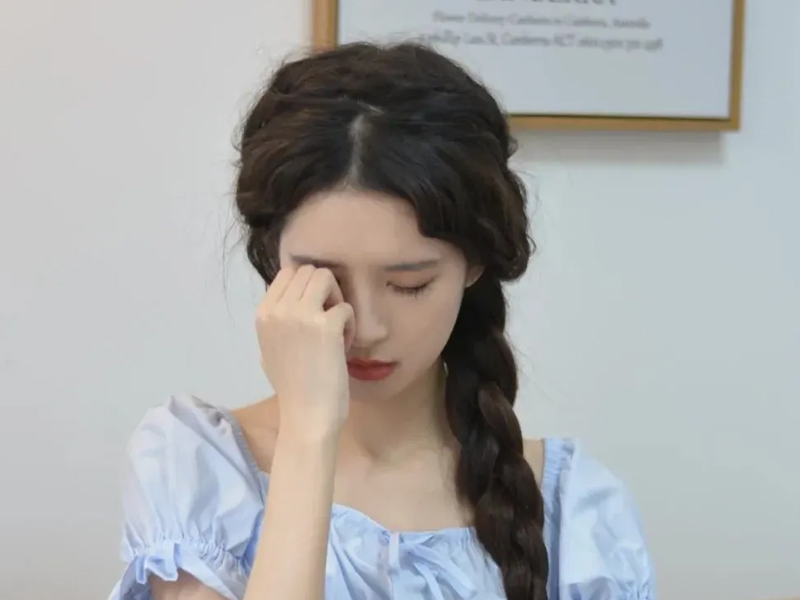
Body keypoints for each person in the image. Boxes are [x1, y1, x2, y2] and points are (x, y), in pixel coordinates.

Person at [107, 41, 656, 600]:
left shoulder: (574, 510)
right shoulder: (198, 468)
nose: (366, 327)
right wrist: (309, 433)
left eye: (409, 285)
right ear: (274, 258)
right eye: (325, 277)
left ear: (475, 264)